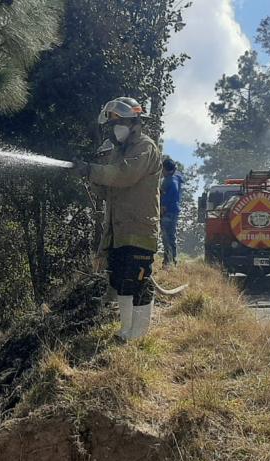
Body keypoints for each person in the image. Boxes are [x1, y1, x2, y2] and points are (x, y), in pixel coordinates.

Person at [72, 97, 162, 340]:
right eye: (111, 124)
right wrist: (89, 174)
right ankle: (126, 332)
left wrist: (92, 169)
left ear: (134, 122)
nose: (114, 129)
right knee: (121, 282)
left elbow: (124, 175)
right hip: (118, 232)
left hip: (139, 230)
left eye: (118, 122)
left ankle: (139, 337)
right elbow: (107, 190)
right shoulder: (117, 153)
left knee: (138, 282)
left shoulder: (145, 148)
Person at [160, 157, 184, 269]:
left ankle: (168, 262)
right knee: (171, 236)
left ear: (166, 169)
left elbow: (172, 193)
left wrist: (163, 206)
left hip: (168, 212)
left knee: (166, 237)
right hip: (174, 211)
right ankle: (172, 261)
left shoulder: (170, 180)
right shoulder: (177, 177)